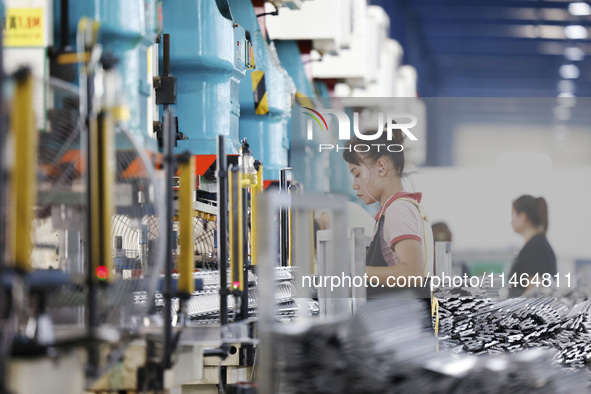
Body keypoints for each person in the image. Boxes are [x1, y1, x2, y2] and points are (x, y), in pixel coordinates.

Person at [343, 125, 434, 297]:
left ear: (381, 167)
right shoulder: (403, 207)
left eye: (357, 174)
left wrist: (355, 272)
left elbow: (412, 274)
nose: (355, 185)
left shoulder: (397, 210)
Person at [508, 195, 557, 297]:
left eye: (513, 215)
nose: (511, 221)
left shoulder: (535, 248)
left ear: (522, 217)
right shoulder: (537, 245)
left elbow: (535, 291)